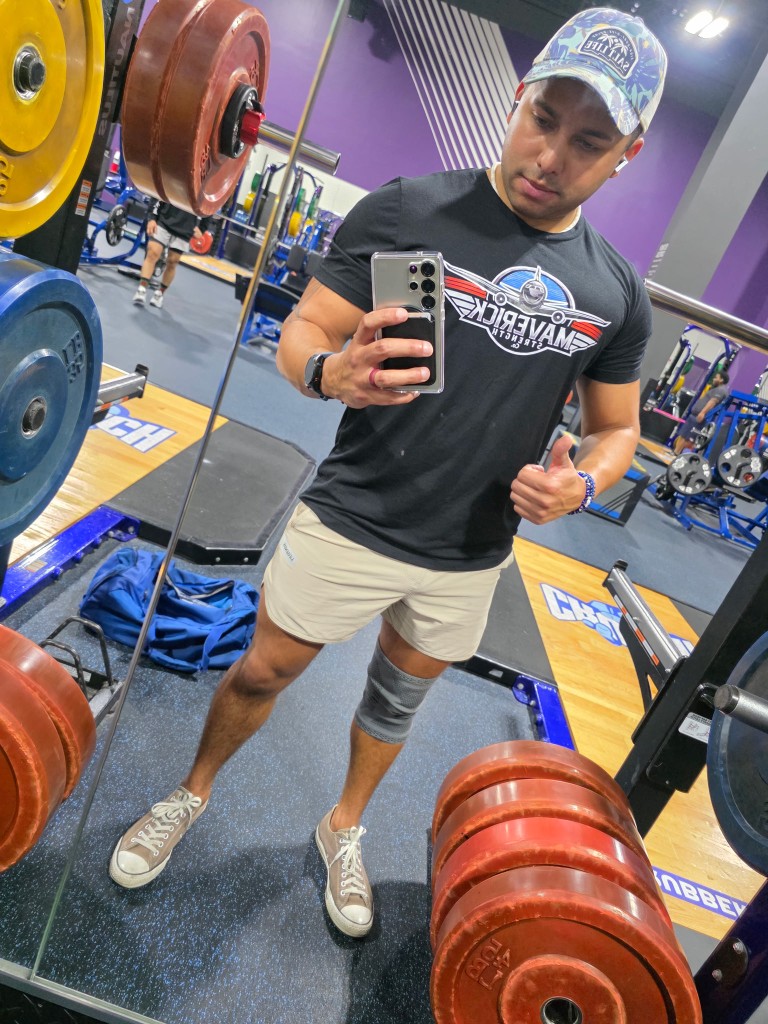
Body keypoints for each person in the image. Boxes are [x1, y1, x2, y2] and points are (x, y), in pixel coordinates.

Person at [110, 8, 667, 939]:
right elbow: (302, 335)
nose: (550, 154)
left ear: (628, 155)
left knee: (396, 701)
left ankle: (344, 828)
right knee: (262, 671)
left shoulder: (615, 294)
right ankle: (190, 792)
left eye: (589, 141)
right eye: (543, 119)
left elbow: (618, 431)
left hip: (470, 552)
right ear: (518, 99)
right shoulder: (413, 208)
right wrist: (333, 374)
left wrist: (585, 485)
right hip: (355, 517)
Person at [132, 199, 212, 309]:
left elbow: (209, 204)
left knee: (172, 262)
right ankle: (142, 289)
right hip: (163, 220)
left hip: (186, 227)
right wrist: (151, 218)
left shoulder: (203, 185)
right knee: (152, 252)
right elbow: (156, 194)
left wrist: (202, 229)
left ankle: (159, 293)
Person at [672, 369, 730, 453]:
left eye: (716, 378)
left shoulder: (721, 390)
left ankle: (677, 453)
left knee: (689, 437)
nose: (714, 379)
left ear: (721, 380)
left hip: (699, 417)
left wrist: (702, 413)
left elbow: (712, 402)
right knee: (684, 434)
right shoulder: (716, 389)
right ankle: (675, 452)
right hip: (694, 415)